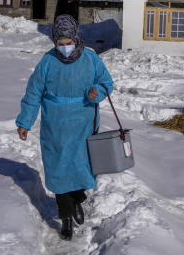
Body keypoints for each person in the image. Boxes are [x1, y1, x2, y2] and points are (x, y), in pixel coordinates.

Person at [16, 14, 114, 241]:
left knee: (80, 168)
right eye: (60, 44)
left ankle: (78, 197)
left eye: (68, 43)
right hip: (55, 126)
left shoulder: (91, 59)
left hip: (83, 124)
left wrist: (96, 92)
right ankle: (66, 219)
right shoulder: (48, 62)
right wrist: (24, 122)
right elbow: (33, 94)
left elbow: (107, 83)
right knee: (59, 170)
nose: (65, 48)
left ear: (76, 38)